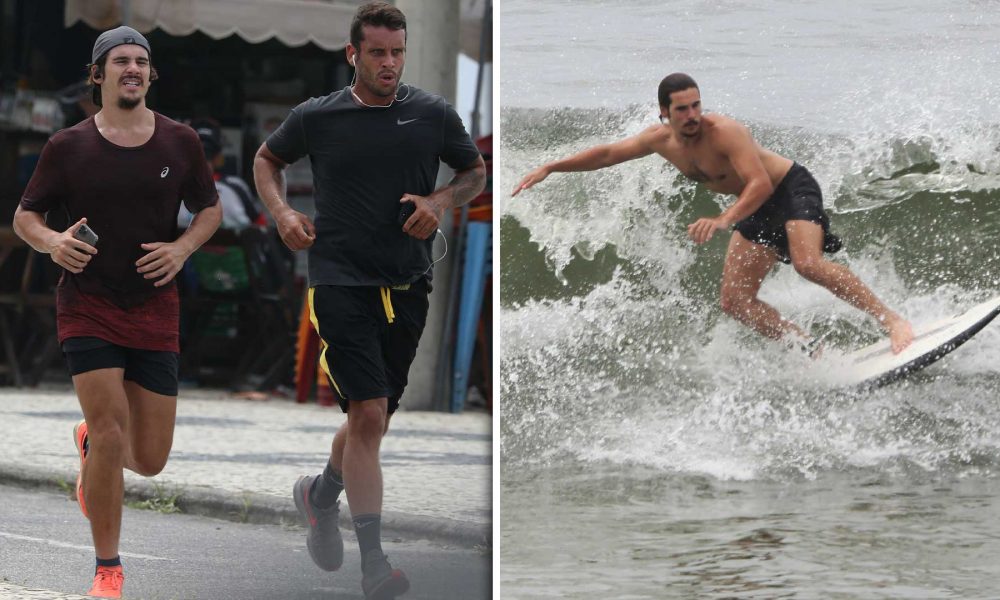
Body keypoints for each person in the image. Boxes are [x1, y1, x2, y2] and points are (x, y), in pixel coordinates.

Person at [252, 2, 486, 598]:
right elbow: (266, 160)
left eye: (398, 51)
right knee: (369, 414)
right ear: (352, 54)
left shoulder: (432, 113)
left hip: (407, 283)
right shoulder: (318, 116)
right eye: (377, 52)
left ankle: (319, 493)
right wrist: (282, 213)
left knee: (370, 423)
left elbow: (473, 173)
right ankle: (374, 563)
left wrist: (439, 202)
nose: (389, 62)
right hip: (338, 280)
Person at [12, 26, 221, 598]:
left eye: (142, 62)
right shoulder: (68, 147)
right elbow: (25, 217)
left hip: (155, 305)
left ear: (151, 75)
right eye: (120, 61)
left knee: (149, 460)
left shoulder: (179, 142)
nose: (133, 69)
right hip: (88, 302)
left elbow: (209, 208)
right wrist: (52, 242)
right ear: (98, 74)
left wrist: (182, 248)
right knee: (110, 432)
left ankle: (89, 445)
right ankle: (108, 568)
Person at [513, 72, 914, 355]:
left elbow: (758, 182)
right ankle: (808, 347)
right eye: (682, 109)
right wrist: (552, 167)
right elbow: (606, 155)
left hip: (788, 189)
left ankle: (892, 321)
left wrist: (724, 220)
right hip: (756, 207)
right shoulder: (660, 141)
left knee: (808, 264)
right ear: (663, 114)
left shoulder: (725, 131)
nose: (692, 115)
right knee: (735, 302)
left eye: (696, 105)